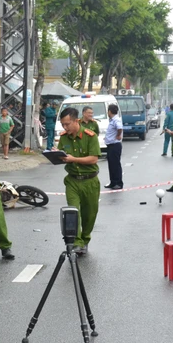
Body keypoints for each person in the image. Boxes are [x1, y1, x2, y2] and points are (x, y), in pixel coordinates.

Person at [57, 107, 100, 255]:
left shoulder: (90, 136)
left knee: (89, 214)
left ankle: (85, 239)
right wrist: (56, 156)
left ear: (76, 121)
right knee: (73, 212)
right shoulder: (63, 137)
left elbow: (94, 158)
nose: (65, 127)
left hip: (90, 181)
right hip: (72, 180)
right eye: (63, 124)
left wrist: (74, 159)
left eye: (67, 124)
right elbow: (62, 156)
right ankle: (76, 242)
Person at [103, 103, 123, 189]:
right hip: (111, 145)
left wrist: (118, 135)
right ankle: (113, 182)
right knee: (111, 165)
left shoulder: (116, 120)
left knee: (116, 165)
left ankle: (118, 183)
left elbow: (119, 128)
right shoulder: (112, 120)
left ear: (110, 111)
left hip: (115, 145)